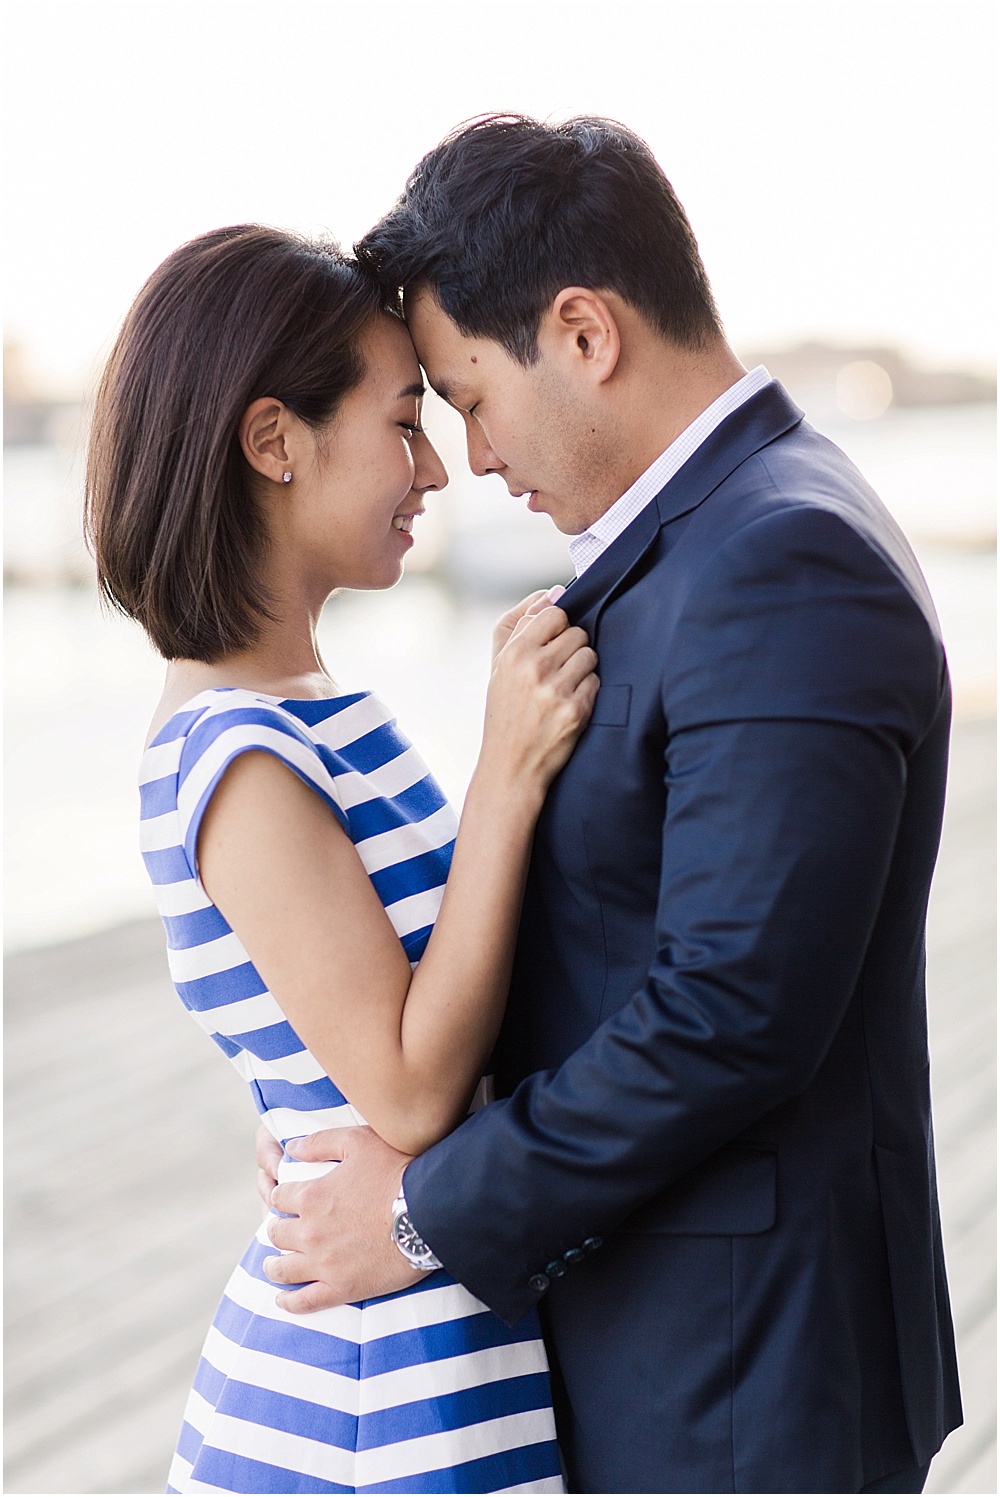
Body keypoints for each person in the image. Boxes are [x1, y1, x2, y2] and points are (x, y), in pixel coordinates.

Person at [256, 117, 963, 1494]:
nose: (466, 455)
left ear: (582, 333)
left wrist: (411, 1211)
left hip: (743, 1388)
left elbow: (728, 1014)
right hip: (691, 1355)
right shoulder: (718, 532)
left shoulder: (782, 556)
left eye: (465, 394)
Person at [85, 223, 601, 1494]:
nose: (434, 468)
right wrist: (508, 768)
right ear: (274, 442)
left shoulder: (318, 708)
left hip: (435, 1346)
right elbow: (413, 1090)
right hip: (367, 1408)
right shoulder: (238, 756)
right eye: (401, 422)